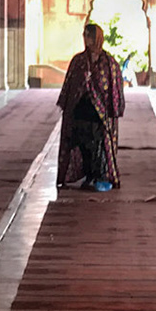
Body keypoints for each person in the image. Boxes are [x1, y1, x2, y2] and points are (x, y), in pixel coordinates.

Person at [56, 21, 125, 192]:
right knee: (81, 143)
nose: (85, 38)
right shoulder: (79, 61)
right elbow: (70, 84)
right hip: (80, 111)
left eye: (89, 35)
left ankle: (98, 175)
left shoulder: (108, 63)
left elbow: (114, 88)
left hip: (99, 114)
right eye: (85, 35)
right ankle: (88, 174)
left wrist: (112, 109)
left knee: (98, 144)